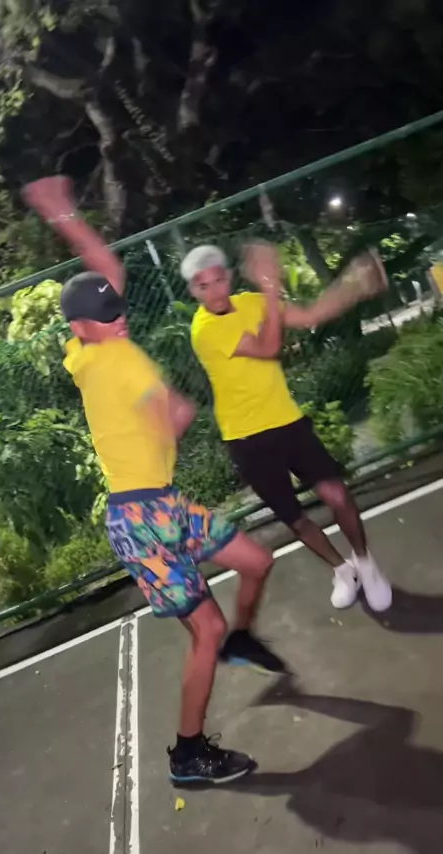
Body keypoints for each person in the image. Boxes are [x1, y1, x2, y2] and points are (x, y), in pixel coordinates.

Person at [27, 179, 288, 786]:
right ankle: (189, 754)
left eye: (117, 310)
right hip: (142, 521)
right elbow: (176, 417)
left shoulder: (84, 352)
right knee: (206, 629)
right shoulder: (121, 359)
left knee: (256, 561)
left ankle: (242, 641)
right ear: (84, 325)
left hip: (160, 505)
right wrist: (172, 405)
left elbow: (107, 271)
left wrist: (63, 213)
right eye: (108, 316)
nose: (120, 319)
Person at [186, 242, 393, 613]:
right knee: (296, 520)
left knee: (337, 495)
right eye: (204, 286)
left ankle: (365, 563)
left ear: (228, 277)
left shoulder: (252, 302)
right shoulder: (204, 330)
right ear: (193, 291)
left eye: (218, 280)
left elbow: (311, 313)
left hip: (287, 422)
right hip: (247, 439)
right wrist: (270, 286)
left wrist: (354, 284)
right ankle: (343, 570)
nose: (214, 291)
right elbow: (268, 349)